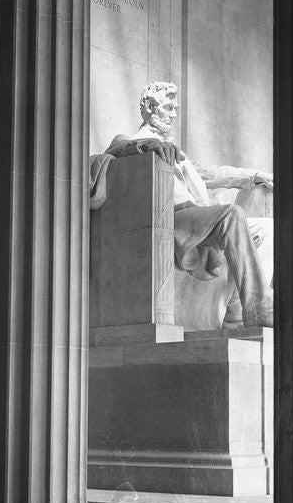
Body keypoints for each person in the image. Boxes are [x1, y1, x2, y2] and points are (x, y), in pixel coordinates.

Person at [89, 81, 274, 328]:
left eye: (175, 108)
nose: (173, 115)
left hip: (199, 216)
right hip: (171, 218)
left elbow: (213, 173)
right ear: (148, 107)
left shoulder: (176, 153)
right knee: (231, 214)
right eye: (167, 107)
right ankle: (258, 307)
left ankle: (237, 313)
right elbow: (118, 149)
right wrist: (145, 145)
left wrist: (253, 176)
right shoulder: (131, 140)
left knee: (269, 229)